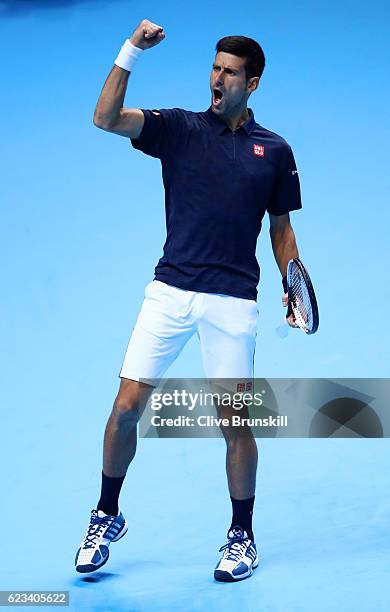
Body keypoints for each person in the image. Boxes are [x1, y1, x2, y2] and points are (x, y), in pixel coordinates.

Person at [75, 18, 301, 582]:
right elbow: (105, 119)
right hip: (170, 291)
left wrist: (292, 281)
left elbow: (281, 228)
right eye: (215, 69)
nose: (218, 80)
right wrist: (130, 50)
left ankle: (241, 535)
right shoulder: (178, 128)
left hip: (232, 302)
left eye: (231, 73)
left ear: (253, 84)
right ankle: (106, 513)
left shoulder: (274, 151)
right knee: (125, 408)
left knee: (233, 424)